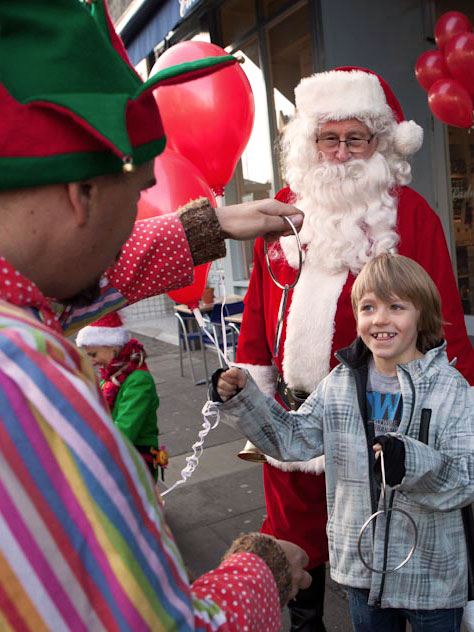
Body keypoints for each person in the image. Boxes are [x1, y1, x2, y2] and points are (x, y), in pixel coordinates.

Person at [0, 2, 311, 630]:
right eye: (139, 189)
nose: (144, 208)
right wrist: (263, 571)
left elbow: (70, 290)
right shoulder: (25, 378)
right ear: (80, 192)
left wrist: (207, 225)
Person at [235, 65, 474, 631]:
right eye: (328, 137)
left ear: (379, 143)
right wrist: (252, 383)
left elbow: (444, 321)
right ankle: (305, 621)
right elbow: (257, 307)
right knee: (293, 534)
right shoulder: (283, 212)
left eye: (355, 138)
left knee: (381, 535)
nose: (340, 153)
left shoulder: (411, 215)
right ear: (310, 142)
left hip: (380, 421)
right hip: (294, 412)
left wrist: (452, 411)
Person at [216, 253, 474, 632]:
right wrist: (243, 398)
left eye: (396, 306)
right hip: (362, 569)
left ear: (423, 313)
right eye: (368, 307)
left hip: (431, 576)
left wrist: (411, 462)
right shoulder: (340, 383)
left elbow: (465, 478)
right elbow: (292, 438)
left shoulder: (452, 388)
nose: (380, 319)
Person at [76, 311, 168, 481]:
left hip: (136, 456)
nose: (92, 362)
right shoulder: (111, 376)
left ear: (112, 346)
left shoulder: (138, 380)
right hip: (121, 453)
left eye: (93, 354)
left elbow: (126, 427)